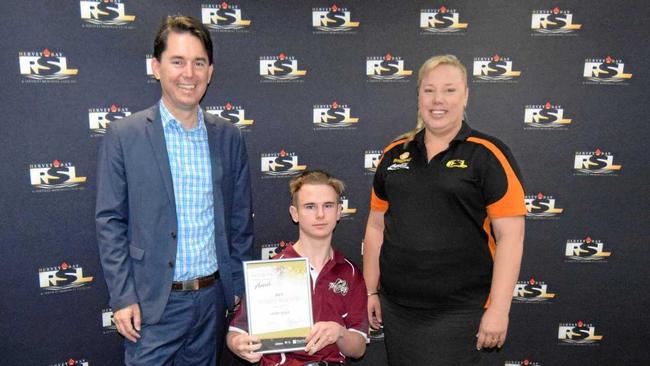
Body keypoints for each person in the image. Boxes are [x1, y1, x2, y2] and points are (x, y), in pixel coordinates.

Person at [95, 15, 253, 365]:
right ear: (156, 67)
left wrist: (239, 292)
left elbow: (241, 222)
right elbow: (110, 222)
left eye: (199, 63)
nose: (189, 73)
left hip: (212, 303)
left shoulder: (228, 137)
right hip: (152, 306)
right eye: (177, 61)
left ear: (210, 71)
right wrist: (122, 297)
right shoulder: (124, 136)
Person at [363, 54, 526, 365]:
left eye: (449, 90)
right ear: (419, 96)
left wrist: (499, 308)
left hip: (461, 311)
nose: (438, 100)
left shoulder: (488, 154)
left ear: (465, 96)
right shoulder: (394, 153)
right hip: (398, 309)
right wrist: (371, 290)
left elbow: (511, 238)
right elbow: (375, 227)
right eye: (429, 90)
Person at [227, 170, 368, 365]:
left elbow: (359, 348)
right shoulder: (271, 269)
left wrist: (340, 333)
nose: (320, 214)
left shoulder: (350, 273)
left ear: (338, 212)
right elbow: (236, 332)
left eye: (328, 206)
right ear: (295, 213)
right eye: (310, 207)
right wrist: (238, 344)